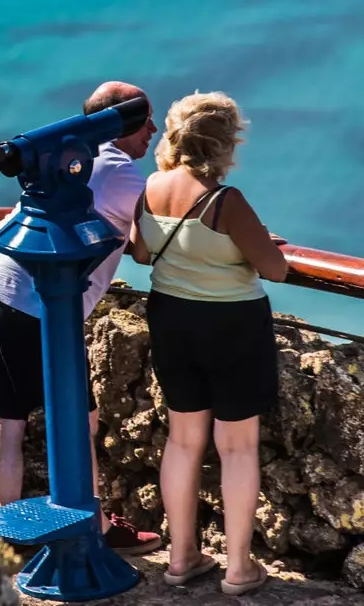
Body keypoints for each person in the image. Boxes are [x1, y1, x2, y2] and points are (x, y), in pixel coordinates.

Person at [0, 81, 162, 554]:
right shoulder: (121, 173)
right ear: (121, 123)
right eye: (145, 117)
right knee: (79, 420)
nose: (153, 128)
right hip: (34, 297)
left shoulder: (70, 161)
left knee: (8, 420)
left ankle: (8, 538)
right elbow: (158, 241)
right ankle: (97, 531)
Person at [128, 91, 287, 596]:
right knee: (236, 447)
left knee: (181, 440)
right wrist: (256, 241)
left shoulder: (150, 187)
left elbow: (139, 251)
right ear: (224, 144)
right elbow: (274, 269)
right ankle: (238, 569)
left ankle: (180, 558)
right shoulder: (225, 201)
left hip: (171, 316)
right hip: (233, 325)